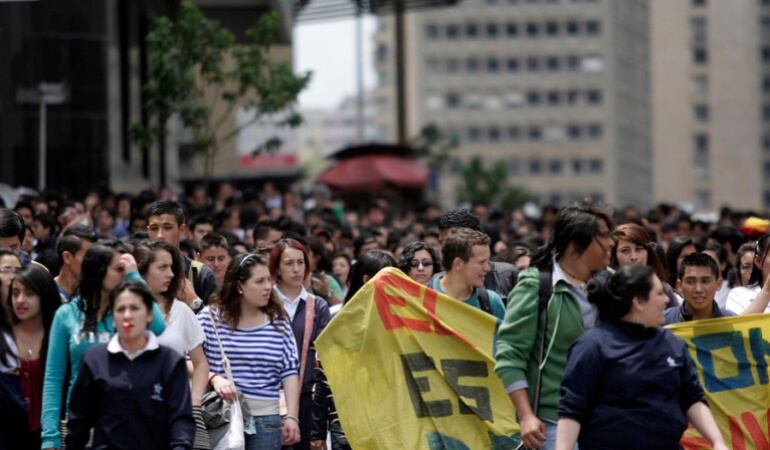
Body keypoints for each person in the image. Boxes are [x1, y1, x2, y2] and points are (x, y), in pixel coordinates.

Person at [556, 266, 727, 450]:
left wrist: (717, 441)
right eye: (659, 293)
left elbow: (692, 399)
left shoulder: (672, 343)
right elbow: (572, 410)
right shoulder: (592, 346)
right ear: (639, 302)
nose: (667, 300)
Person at [495, 202, 614, 450]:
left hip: (607, 421)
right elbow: (510, 354)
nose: (612, 243)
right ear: (576, 244)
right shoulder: (536, 286)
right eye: (603, 235)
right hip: (552, 424)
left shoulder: (614, 284)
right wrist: (526, 416)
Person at [40, 244, 167, 450]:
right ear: (98, 271)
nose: (123, 275)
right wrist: (50, 436)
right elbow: (53, 377)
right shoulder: (66, 314)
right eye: (118, 269)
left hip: (126, 423)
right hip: (79, 424)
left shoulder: (124, 313)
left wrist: (135, 276)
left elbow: (158, 326)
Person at [66, 281, 194, 449]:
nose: (127, 316)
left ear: (149, 314)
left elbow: (180, 420)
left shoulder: (170, 361)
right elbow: (78, 422)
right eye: (120, 309)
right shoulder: (94, 360)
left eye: (135, 308)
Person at [197, 253, 301, 450]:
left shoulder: (278, 321)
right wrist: (214, 378)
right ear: (239, 286)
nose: (268, 287)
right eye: (260, 281)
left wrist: (292, 417)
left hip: (267, 420)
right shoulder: (209, 318)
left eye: (269, 280)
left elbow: (290, 371)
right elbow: (189, 361)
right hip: (221, 418)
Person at [311, 249, 397, 450]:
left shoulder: (400, 322)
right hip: (348, 427)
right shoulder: (339, 324)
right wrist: (317, 432)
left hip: (391, 424)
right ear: (367, 280)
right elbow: (325, 379)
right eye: (390, 280)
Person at [134, 240, 210, 447]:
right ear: (141, 271)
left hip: (177, 414)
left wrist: (194, 403)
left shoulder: (182, 311)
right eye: (162, 267)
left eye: (171, 267)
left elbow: (201, 363)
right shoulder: (124, 311)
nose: (171, 274)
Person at [269, 239, 330, 450]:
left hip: (306, 397)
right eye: (289, 263)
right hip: (268, 395)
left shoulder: (317, 305)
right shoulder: (265, 302)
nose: (296, 269)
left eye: (301, 262)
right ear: (276, 267)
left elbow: (324, 354)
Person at [3, 265, 60, 449]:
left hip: (50, 435)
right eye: (15, 293)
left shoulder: (58, 335)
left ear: (44, 295)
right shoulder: (4, 337)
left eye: (29, 294)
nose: (20, 300)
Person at [147, 200, 218, 306]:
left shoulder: (201, 275)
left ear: (182, 229)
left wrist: (194, 301)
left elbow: (215, 322)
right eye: (154, 228)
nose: (160, 235)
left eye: (167, 227)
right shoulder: (139, 273)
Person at [437, 208, 518, 298]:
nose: (443, 250)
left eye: (450, 242)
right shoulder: (433, 286)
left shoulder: (507, 275)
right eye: (441, 243)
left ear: (476, 237)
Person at [430, 229, 505, 320]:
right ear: (458, 264)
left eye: (487, 261)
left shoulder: (491, 302)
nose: (488, 268)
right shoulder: (423, 297)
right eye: (481, 262)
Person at [611, 223, 680, 307]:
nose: (634, 257)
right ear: (614, 256)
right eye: (625, 251)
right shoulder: (608, 291)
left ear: (648, 252)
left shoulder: (664, 289)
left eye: (639, 249)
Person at [664, 253, 735, 324]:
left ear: (718, 284)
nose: (698, 289)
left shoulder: (733, 324)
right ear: (679, 285)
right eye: (690, 282)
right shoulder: (663, 321)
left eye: (705, 281)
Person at [726, 234, 769, 314]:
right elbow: (739, 325)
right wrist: (767, 290)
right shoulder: (737, 294)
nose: (752, 271)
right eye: (746, 267)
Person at [53, 224, 98, 302]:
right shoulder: (46, 293)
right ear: (67, 257)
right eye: (88, 256)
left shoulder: (96, 294)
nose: (94, 261)